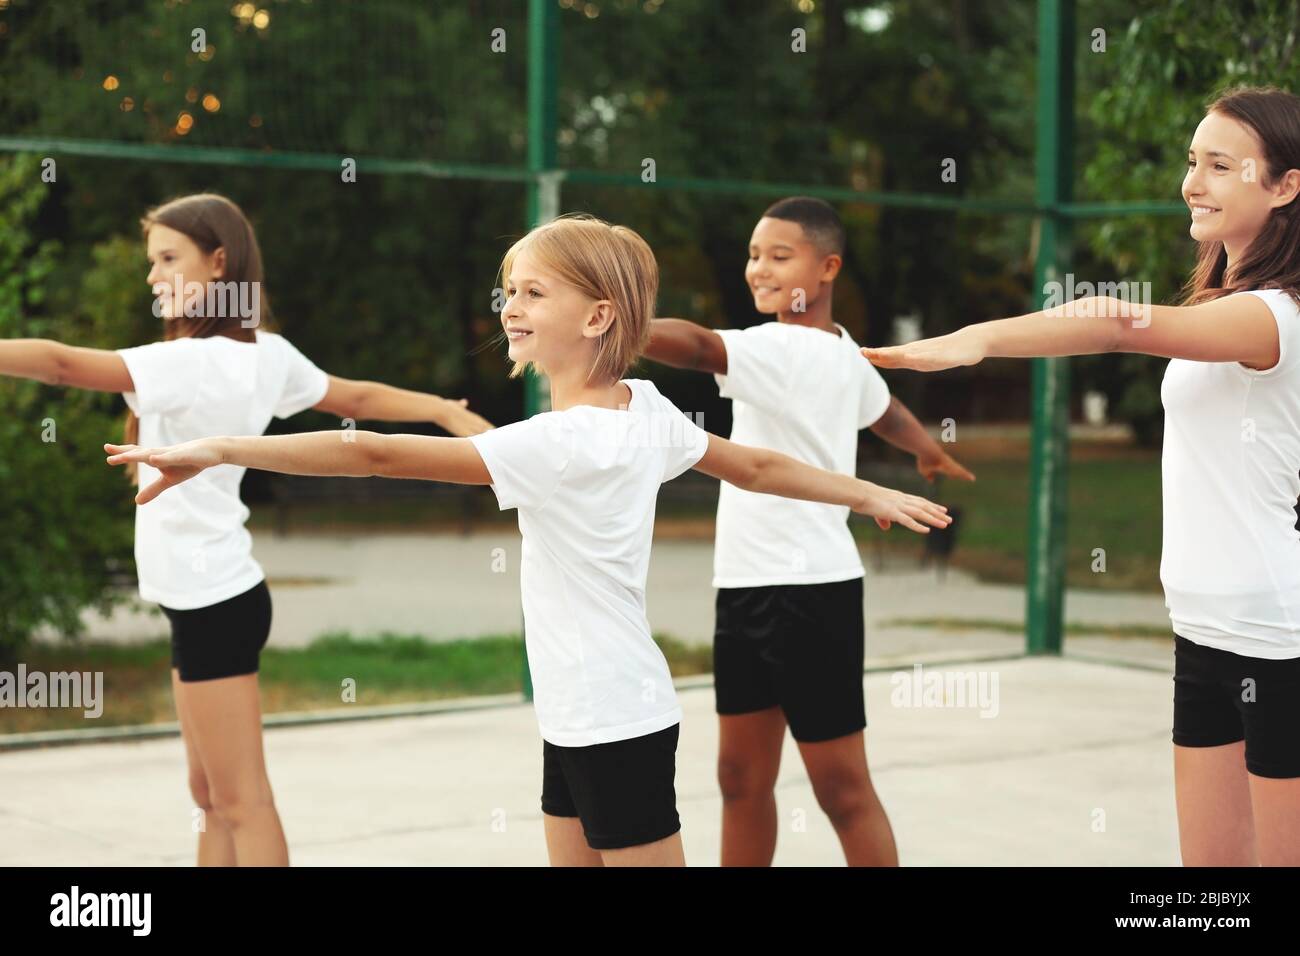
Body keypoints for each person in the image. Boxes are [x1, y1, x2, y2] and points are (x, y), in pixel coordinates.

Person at [107, 213, 952, 866]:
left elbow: (368, 450)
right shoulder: (645, 410)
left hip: (615, 717)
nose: (510, 308)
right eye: (509, 291)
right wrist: (866, 488)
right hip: (583, 712)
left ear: (598, 317)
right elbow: (759, 466)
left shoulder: (559, 443)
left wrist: (219, 447)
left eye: (533, 294)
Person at [864, 86, 1300, 866]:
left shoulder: (1276, 317)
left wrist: (976, 340)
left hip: (1279, 637)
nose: (1190, 184)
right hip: (1203, 629)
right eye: (1191, 162)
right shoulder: (1224, 306)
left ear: (1286, 186)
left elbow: (1115, 320)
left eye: (1221, 167)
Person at [1, 192, 492, 866]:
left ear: (219, 262)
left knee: (240, 801)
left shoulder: (187, 365)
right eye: (151, 262)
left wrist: (445, 414)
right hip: (213, 599)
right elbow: (355, 399)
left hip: (213, 603)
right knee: (208, 794)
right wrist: (442, 409)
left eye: (168, 258)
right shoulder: (267, 355)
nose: (153, 277)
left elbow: (58, 364)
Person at [643, 196, 974, 865]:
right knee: (739, 780)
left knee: (841, 789)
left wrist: (624, 326)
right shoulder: (838, 350)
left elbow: (702, 346)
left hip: (811, 594)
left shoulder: (778, 347)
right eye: (753, 254)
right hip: (742, 587)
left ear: (827, 268)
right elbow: (887, 413)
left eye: (779, 256)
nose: (758, 268)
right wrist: (926, 449)